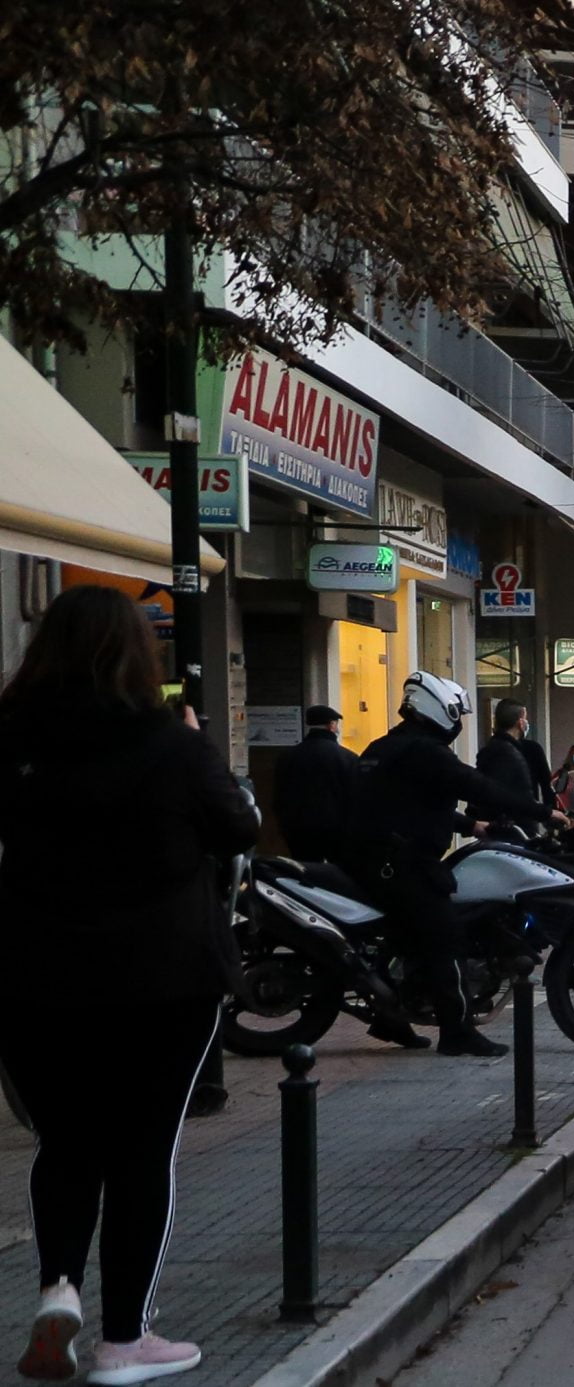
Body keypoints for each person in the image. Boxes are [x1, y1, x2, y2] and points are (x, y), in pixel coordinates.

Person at [0, 585, 259, 1384]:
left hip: (37, 976)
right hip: (164, 978)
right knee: (142, 1152)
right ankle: (124, 1339)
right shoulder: (171, 744)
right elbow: (239, 826)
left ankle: (58, 1289)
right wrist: (197, 747)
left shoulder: (11, 736)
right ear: (137, 654)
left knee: (67, 1142)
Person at [349, 673, 566, 1056]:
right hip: (402, 864)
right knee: (446, 937)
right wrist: (543, 812)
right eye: (456, 714)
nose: (459, 723)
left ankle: (391, 1017)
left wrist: (472, 826)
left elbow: (413, 805)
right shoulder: (426, 751)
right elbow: (478, 786)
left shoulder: (385, 746)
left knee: (409, 940)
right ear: (437, 709)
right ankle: (457, 1032)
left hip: (377, 859)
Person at [274, 704, 358, 866]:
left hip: (297, 827)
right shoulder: (347, 758)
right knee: (338, 872)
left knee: (304, 869)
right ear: (331, 725)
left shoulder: (287, 757)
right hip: (335, 829)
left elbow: (280, 794)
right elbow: (355, 796)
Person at [470, 698, 543, 826]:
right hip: (513, 826)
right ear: (520, 723)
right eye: (525, 718)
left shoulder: (493, 748)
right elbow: (511, 796)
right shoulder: (507, 753)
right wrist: (545, 813)